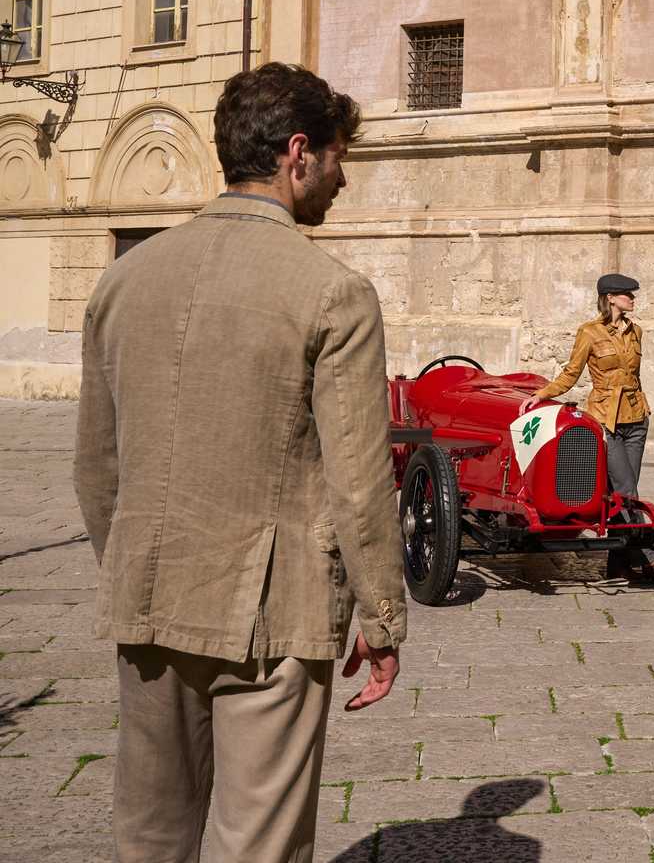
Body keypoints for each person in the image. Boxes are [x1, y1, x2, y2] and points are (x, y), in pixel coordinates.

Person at [73, 62, 408, 862]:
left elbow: (96, 467)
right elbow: (360, 479)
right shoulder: (333, 292)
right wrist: (382, 617)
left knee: (150, 838)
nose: (343, 177)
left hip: (150, 599)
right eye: (336, 157)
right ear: (299, 154)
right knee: (259, 847)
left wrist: (132, 566)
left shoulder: (121, 282)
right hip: (275, 615)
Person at [520, 272, 654, 584]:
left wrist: (643, 411)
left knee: (619, 494)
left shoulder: (636, 332)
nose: (633, 298)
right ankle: (649, 562)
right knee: (628, 490)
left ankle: (617, 565)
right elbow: (571, 373)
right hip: (606, 420)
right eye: (628, 293)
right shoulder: (588, 332)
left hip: (636, 418)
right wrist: (540, 395)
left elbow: (634, 377)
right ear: (611, 297)